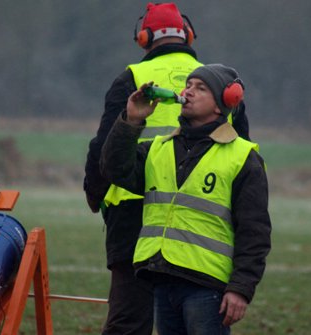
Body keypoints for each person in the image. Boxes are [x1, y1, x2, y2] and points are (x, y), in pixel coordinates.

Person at [84, 3, 250, 334]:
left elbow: (103, 148)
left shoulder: (132, 78)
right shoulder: (219, 83)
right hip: (201, 225)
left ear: (143, 38)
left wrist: (96, 195)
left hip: (131, 213)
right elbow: (241, 153)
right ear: (187, 35)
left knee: (129, 322)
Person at [99, 64, 271, 335]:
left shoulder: (243, 157)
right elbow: (114, 170)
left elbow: (255, 231)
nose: (188, 92)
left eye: (200, 88)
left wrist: (240, 289)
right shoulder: (158, 147)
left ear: (223, 104)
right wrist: (131, 121)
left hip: (207, 286)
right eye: (188, 85)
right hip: (162, 279)